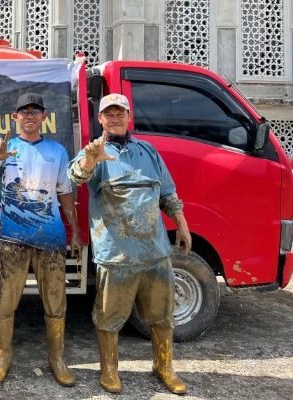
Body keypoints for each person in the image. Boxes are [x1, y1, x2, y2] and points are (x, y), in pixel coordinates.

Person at [68, 93, 190, 394]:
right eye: (108, 114)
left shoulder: (148, 151)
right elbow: (76, 176)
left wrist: (182, 224)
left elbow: (167, 193)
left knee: (162, 315)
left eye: (119, 113)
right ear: (100, 119)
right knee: (109, 317)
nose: (114, 118)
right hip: (116, 255)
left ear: (128, 116)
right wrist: (90, 159)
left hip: (155, 252)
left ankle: (164, 366)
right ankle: (109, 369)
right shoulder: (94, 151)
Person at [0, 93, 83, 386]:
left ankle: (57, 359)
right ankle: (2, 357)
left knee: (56, 303)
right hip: (12, 239)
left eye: (36, 111)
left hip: (51, 239)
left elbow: (65, 192)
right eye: (24, 111)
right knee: (6, 302)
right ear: (16, 117)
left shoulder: (57, 151)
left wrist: (75, 230)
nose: (30, 115)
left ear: (44, 116)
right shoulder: (7, 148)